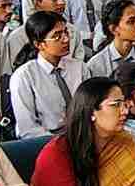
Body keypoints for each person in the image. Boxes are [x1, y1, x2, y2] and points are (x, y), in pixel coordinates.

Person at [10, 11, 91, 139]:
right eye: (57, 36)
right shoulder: (24, 76)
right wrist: (60, 143)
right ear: (39, 44)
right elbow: (28, 128)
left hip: (84, 135)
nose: (66, 39)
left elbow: (92, 108)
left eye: (66, 33)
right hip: (46, 140)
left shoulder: (79, 68)